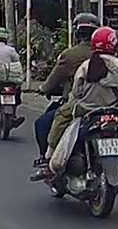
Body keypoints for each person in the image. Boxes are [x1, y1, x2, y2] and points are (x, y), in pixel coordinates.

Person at [33, 26, 118, 179]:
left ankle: (49, 156)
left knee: (61, 116)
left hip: (87, 108)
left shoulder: (81, 62)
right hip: (113, 108)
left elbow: (76, 90)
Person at [31, 13, 99, 173]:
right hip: (109, 104)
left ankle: (47, 159)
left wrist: (43, 89)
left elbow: (53, 79)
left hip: (80, 103)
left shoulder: (70, 55)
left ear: (77, 33)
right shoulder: (110, 57)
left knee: (43, 123)